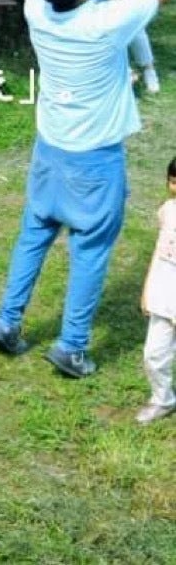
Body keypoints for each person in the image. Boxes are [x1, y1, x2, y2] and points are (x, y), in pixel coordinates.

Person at [0, 0, 175, 378]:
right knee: (90, 251)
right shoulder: (106, 23)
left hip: (50, 151)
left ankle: (7, 321)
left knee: (34, 235)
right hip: (95, 161)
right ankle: (71, 346)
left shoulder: (37, 8)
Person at [137, 156, 176, 423]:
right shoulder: (167, 211)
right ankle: (163, 399)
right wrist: (148, 289)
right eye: (173, 181)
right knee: (154, 354)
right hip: (165, 292)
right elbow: (159, 252)